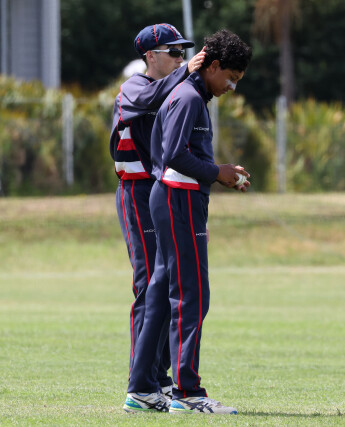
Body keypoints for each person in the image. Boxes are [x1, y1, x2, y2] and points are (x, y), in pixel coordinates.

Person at [124, 29, 252, 414]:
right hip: (177, 198)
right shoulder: (188, 97)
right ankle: (187, 393)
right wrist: (218, 172)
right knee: (191, 296)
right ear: (213, 66)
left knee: (165, 294)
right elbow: (174, 155)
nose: (231, 86)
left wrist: (216, 174)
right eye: (231, 77)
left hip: (178, 200)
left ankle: (142, 389)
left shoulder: (192, 95)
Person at [110, 23, 206, 409]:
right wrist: (188, 73)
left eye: (185, 52)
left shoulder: (173, 89)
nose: (182, 59)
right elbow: (149, 97)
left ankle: (159, 378)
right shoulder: (134, 87)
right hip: (136, 192)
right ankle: (142, 384)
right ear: (150, 56)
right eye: (175, 52)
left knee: (167, 284)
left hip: (159, 193)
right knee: (148, 285)